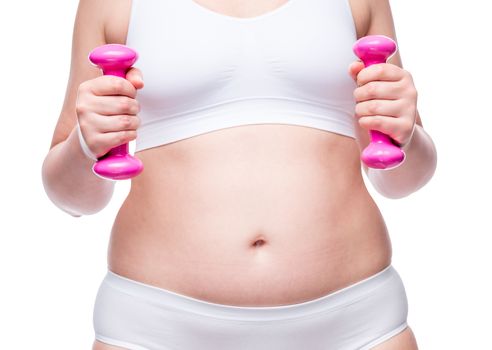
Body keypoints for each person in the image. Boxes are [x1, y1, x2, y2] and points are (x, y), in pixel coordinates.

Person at [41, 0, 437, 349]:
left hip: (357, 325)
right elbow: (74, 198)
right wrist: (85, 145)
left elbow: (402, 178)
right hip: (155, 329)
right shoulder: (111, 3)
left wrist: (406, 134)